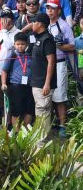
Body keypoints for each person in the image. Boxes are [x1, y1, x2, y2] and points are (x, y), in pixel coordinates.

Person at [45, 0, 74, 138]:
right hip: (46, 65)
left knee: (60, 96)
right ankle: (50, 123)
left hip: (60, 63)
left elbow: (72, 46)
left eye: (52, 8)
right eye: (48, 8)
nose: (49, 11)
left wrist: (57, 46)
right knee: (48, 95)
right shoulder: (46, 25)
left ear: (59, 10)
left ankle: (63, 124)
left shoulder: (63, 25)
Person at [30, 13, 57, 141]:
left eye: (34, 22)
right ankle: (39, 143)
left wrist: (47, 83)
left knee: (43, 114)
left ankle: (41, 145)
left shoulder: (47, 39)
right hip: (37, 82)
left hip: (43, 84)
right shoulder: (38, 37)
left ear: (40, 24)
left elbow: (51, 62)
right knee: (40, 114)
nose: (32, 24)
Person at [1, 31, 34, 129]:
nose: (20, 46)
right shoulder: (11, 56)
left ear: (27, 44)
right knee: (16, 111)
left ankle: (26, 131)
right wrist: (3, 83)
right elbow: (4, 71)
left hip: (28, 86)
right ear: (14, 44)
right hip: (15, 87)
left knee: (29, 110)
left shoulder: (30, 56)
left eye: (23, 44)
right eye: (18, 44)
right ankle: (16, 132)